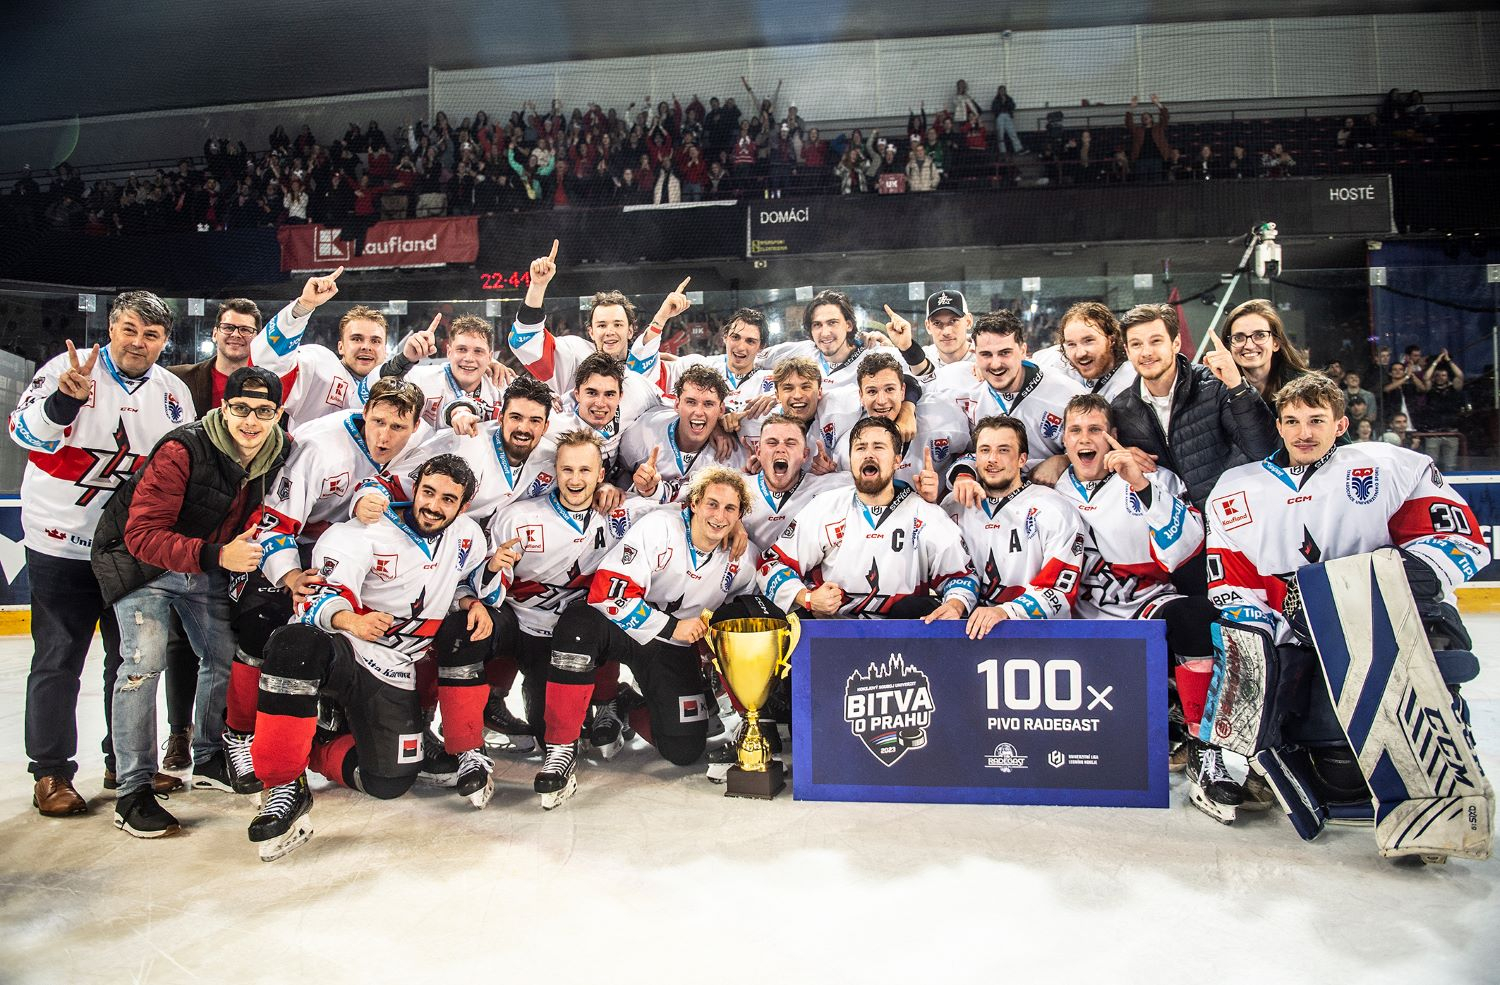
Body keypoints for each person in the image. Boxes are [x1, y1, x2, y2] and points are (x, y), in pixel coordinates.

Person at [1203, 374, 1491, 852]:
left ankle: (1443, 767)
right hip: (1297, 629)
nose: (1304, 432)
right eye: (1292, 421)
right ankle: (1246, 760)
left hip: (1383, 620)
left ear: (1340, 424)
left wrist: (1370, 586)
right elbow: (1230, 582)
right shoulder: (1237, 489)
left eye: (1317, 420)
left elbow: (1456, 540)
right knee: (1247, 650)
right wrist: (1271, 632)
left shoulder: (1390, 467)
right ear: (1278, 425)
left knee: (1440, 638)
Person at [244, 455, 497, 859]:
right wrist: (351, 621)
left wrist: (472, 601)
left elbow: (462, 578)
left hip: (395, 668)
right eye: (428, 492)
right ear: (414, 487)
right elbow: (311, 600)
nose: (433, 506)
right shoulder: (360, 533)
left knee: (388, 782)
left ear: (464, 506)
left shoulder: (468, 536)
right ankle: (284, 784)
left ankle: (319, 744)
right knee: (294, 643)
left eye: (448, 499)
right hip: (348, 648)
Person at [10, 291, 197, 817]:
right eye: (130, 330)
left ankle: (126, 762)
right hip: (60, 543)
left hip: (129, 550)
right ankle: (50, 771)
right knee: (59, 656)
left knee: (131, 660)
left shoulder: (174, 392)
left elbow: (183, 465)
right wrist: (63, 402)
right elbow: (24, 433)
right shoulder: (65, 372)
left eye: (151, 335)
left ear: (165, 341)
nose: (139, 342)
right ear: (111, 328)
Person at [94, 368, 290, 837]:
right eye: (240, 408)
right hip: (141, 564)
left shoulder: (278, 450)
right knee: (143, 664)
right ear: (224, 407)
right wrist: (219, 555)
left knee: (224, 655)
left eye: (263, 411)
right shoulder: (182, 449)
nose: (250, 421)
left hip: (203, 565)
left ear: (277, 414)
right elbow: (141, 534)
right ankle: (132, 791)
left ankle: (209, 756)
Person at [1052, 394, 1262, 819]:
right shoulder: (1051, 489)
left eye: (1095, 430)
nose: (1085, 439)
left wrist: (1142, 487)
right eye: (1075, 430)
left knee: (1195, 616)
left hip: (1145, 604)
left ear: (1113, 436)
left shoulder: (1152, 475)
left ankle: (1205, 746)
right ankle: (1163, 714)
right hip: (1080, 613)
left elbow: (1188, 547)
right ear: (1065, 441)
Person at [533, 467, 758, 807]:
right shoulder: (659, 527)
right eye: (712, 504)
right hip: (622, 629)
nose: (719, 516)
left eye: (730, 509)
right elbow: (606, 592)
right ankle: (561, 749)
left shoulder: (743, 555)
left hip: (672, 647)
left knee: (684, 750)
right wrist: (670, 626)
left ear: (740, 515)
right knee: (578, 627)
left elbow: (750, 604)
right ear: (694, 503)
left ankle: (626, 702)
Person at [455, 432, 662, 760]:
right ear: (555, 471)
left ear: (601, 474)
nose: (575, 479)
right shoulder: (518, 517)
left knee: (597, 621)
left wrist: (654, 490)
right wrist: (493, 568)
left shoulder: (622, 512)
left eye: (585, 470)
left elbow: (690, 514)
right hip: (532, 634)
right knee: (552, 735)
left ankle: (611, 696)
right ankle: (483, 716)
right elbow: (488, 592)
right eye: (567, 470)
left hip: (586, 636)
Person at [757, 416, 977, 621]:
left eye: (878, 447)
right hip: (833, 633)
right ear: (851, 458)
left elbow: (962, 577)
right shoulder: (825, 507)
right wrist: (807, 597)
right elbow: (771, 565)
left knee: (913, 607)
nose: (868, 455)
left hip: (902, 637)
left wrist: (955, 605)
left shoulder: (926, 514)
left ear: (897, 460)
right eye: (860, 448)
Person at [1109, 303, 1277, 514]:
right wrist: (1120, 455)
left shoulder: (1215, 385)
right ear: (1127, 351)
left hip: (1234, 517)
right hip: (1175, 526)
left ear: (1176, 343)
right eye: (1136, 344)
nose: (1146, 352)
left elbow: (1265, 451)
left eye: (1156, 341)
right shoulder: (1121, 410)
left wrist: (1238, 387)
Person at [940, 415, 1084, 638]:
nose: (992, 459)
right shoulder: (953, 507)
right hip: (968, 635)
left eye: (1004, 450)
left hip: (1035, 638)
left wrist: (1005, 612)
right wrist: (955, 604)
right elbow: (954, 573)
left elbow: (1059, 591)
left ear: (1022, 459)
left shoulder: (1055, 509)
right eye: (985, 450)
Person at [508, 239, 691, 394]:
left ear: (630, 331)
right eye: (602, 325)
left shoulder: (655, 365)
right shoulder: (574, 357)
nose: (609, 331)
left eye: (617, 324)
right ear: (591, 332)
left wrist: (661, 318)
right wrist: (538, 286)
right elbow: (526, 340)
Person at [929, 309, 1088, 474]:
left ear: (1023, 351)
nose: (995, 364)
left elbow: (1095, 447)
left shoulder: (1067, 394)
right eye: (986, 354)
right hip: (988, 485)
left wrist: (1064, 460)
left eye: (1005, 353)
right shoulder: (956, 383)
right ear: (974, 354)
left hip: (1048, 487)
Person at [250, 268, 402, 427]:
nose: (366, 347)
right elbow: (269, 364)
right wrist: (304, 305)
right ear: (341, 347)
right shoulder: (320, 366)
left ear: (385, 351)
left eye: (375, 341)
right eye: (357, 339)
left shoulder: (396, 389)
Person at [618, 365, 744, 503]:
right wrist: (635, 487)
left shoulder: (735, 456)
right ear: (677, 405)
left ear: (721, 410)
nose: (699, 412)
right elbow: (617, 472)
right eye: (691, 402)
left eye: (708, 404)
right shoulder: (641, 434)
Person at [741, 414, 851, 549]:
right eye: (772, 443)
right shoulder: (737, 488)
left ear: (805, 455)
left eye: (790, 443)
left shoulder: (829, 486)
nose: (780, 449)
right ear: (758, 452)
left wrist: (834, 471)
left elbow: (872, 485)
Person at [382, 312, 506, 426]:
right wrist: (405, 359)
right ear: (449, 352)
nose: (469, 358)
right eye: (461, 349)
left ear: (490, 357)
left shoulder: (502, 384)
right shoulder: (423, 380)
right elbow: (382, 384)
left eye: (478, 351)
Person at [1031, 300, 1138, 401]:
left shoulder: (1132, 380)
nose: (1080, 353)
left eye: (1089, 341)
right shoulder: (1055, 359)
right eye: (1071, 344)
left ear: (1111, 340)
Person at [1217, 299, 1312, 403]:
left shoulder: (1307, 390)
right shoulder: (1215, 392)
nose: (1249, 346)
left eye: (1260, 335)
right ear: (1229, 346)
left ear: (1275, 343)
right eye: (1238, 338)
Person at [1420, 349, 1466, 471]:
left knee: (1450, 466)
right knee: (1431, 467)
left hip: (1451, 431)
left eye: (1443, 375)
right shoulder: (1431, 389)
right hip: (1433, 432)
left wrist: (1448, 360)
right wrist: (1436, 361)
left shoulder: (1453, 388)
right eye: (1438, 375)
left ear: (1447, 376)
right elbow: (1426, 378)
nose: (1440, 378)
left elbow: (1460, 376)